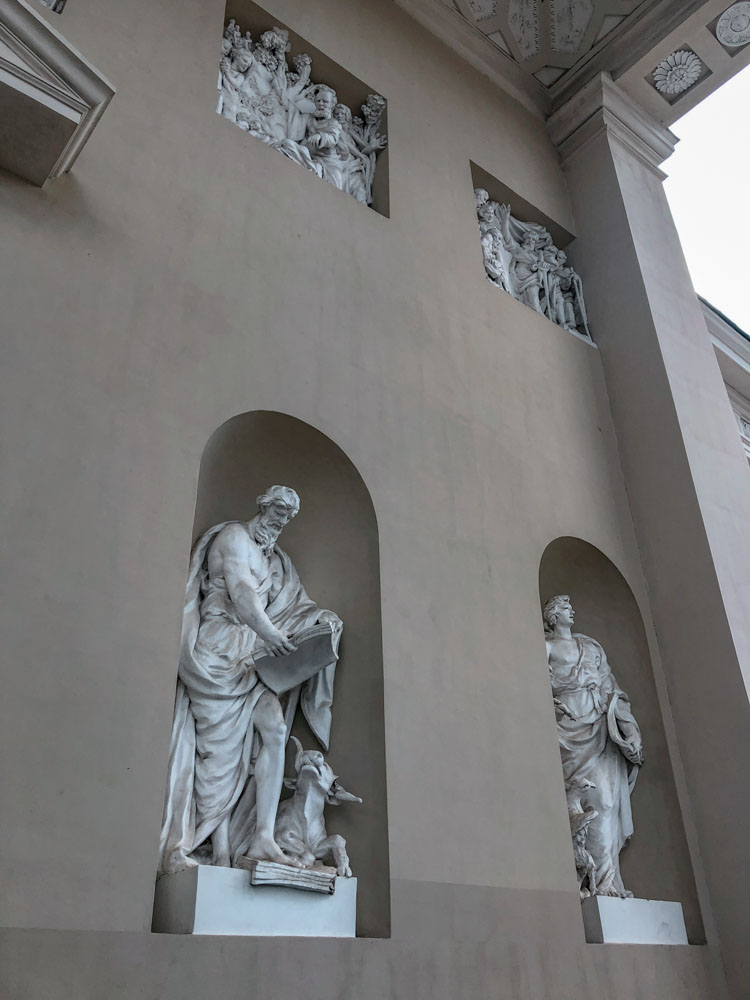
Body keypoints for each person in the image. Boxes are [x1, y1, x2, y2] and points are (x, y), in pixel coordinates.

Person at [159, 486, 342, 873]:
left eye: (288, 515)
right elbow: (242, 593)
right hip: (219, 651)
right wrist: (271, 634)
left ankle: (262, 838)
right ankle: (215, 848)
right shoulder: (234, 538)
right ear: (261, 506)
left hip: (251, 657)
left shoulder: (276, 561)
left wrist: (322, 623)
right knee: (219, 759)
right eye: (277, 510)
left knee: (274, 731)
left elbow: (294, 607)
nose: (281, 519)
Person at [543, 595, 642, 898]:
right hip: (568, 733)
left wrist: (629, 729)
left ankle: (608, 883)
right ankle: (586, 880)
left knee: (606, 804)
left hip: (600, 728)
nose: (571, 610)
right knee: (579, 806)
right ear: (551, 616)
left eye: (571, 606)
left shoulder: (592, 646)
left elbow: (611, 690)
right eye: (563, 607)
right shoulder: (544, 647)